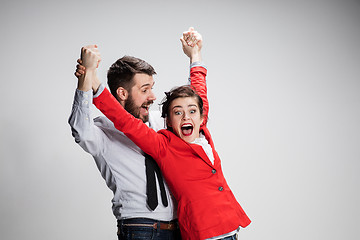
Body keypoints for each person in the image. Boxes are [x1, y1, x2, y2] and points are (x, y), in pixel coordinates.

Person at [81, 30, 251, 239]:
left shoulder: (202, 131)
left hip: (231, 226)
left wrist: (194, 55)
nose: (186, 117)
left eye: (192, 112)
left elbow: (198, 94)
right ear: (168, 121)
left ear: (200, 116)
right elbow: (127, 123)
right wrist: (94, 80)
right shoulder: (164, 145)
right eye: (178, 112)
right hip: (202, 233)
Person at [69, 28, 205, 239]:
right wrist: (86, 79)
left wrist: (194, 56)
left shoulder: (162, 123)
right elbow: (80, 130)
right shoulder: (103, 130)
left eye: (152, 87)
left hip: (181, 228)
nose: (152, 96)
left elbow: (195, 107)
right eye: (144, 90)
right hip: (139, 228)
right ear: (122, 93)